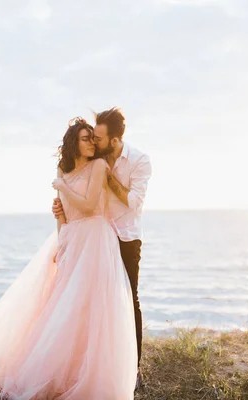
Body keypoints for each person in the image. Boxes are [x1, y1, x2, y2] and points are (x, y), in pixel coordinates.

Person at [0, 117, 137, 399]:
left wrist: (62, 186)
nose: (91, 143)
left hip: (96, 239)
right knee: (63, 303)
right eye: (85, 138)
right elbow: (64, 214)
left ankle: (90, 376)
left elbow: (87, 207)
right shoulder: (63, 168)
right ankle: (59, 369)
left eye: (92, 138)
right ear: (74, 141)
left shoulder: (98, 166)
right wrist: (61, 242)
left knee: (91, 306)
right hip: (73, 239)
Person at [53, 107, 152, 389]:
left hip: (125, 235)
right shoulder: (92, 158)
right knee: (92, 300)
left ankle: (133, 368)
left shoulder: (140, 161)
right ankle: (90, 361)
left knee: (127, 300)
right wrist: (61, 208)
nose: (94, 142)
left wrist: (108, 178)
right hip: (96, 236)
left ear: (116, 140)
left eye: (99, 138)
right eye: (92, 137)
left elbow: (133, 202)